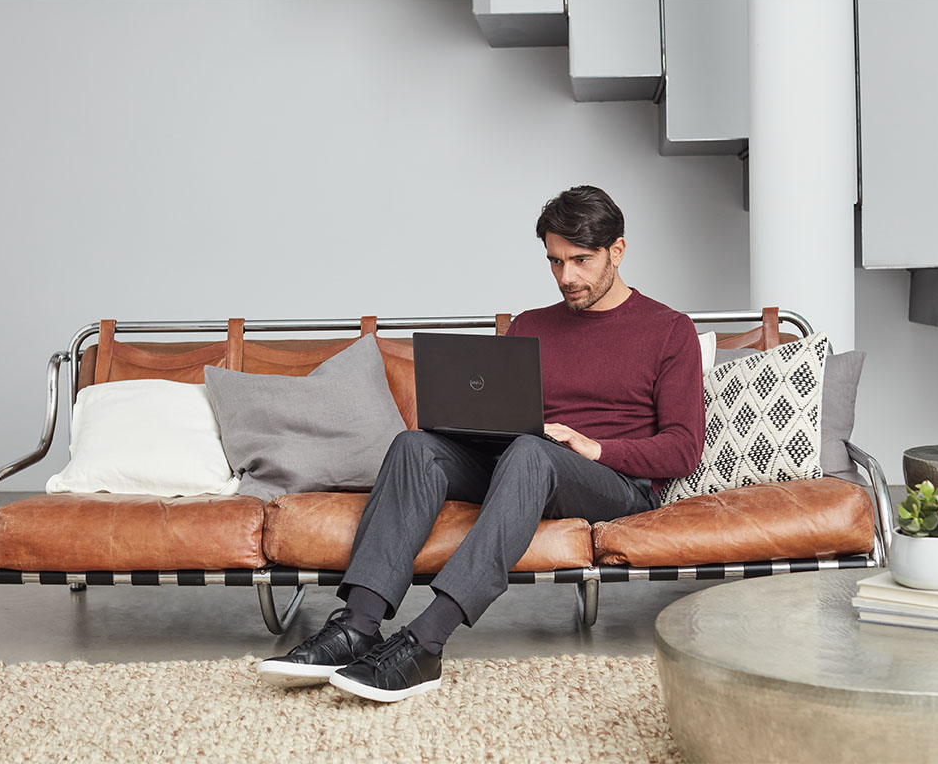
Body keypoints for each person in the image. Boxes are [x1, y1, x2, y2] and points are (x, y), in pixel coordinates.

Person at [256, 185, 705, 702]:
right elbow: (503, 418)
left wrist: (593, 447)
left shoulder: (669, 330)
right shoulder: (531, 325)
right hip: (525, 463)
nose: (567, 278)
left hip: (615, 483)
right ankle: (358, 626)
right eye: (555, 262)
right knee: (415, 445)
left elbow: (682, 447)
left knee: (533, 453)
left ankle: (425, 642)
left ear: (617, 251)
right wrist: (466, 424)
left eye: (580, 261)